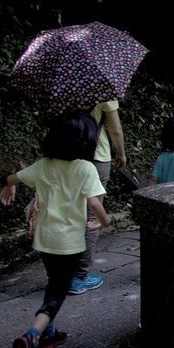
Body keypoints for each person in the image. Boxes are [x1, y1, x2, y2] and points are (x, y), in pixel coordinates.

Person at [0, 113, 109, 348]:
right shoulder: (86, 168)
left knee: (54, 282)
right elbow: (94, 204)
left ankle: (49, 334)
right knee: (58, 292)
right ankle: (31, 335)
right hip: (69, 242)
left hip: (45, 240)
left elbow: (13, 177)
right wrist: (105, 222)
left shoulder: (44, 165)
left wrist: (8, 187)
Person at [69, 99, 126, 295]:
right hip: (96, 155)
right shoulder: (103, 91)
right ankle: (79, 276)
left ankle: (64, 273)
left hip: (66, 154)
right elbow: (115, 129)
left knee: (69, 211)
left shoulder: (63, 84)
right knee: (91, 216)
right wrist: (121, 153)